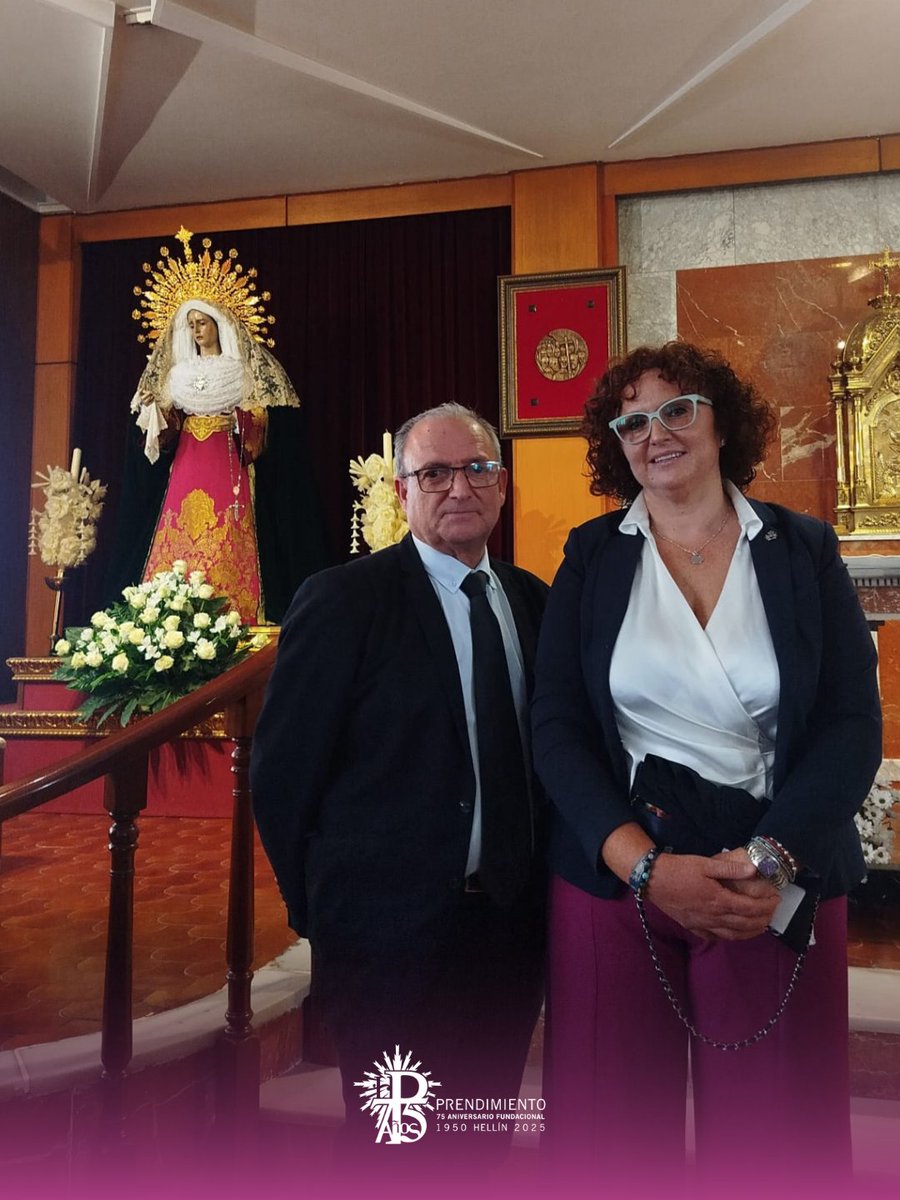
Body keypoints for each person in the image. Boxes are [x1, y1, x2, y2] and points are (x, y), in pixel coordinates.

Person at [531, 342, 881, 1193]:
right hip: (619, 870)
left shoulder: (803, 551)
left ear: (723, 423)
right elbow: (557, 726)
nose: (657, 433)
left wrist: (769, 859)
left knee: (776, 1135)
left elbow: (849, 727)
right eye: (634, 421)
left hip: (770, 866)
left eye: (678, 409)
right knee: (611, 1135)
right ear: (616, 444)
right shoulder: (591, 556)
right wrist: (639, 864)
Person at [251, 403, 548, 1171]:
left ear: (503, 484)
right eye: (435, 473)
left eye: (477, 469)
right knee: (397, 1148)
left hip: (509, 933)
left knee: (479, 1141)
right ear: (403, 489)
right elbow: (283, 777)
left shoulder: (532, 602)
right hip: (386, 941)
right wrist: (328, 913)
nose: (459, 488)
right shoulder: (344, 600)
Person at [132, 298, 301, 623]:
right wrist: (153, 411)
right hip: (188, 459)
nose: (196, 330)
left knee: (226, 527)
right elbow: (167, 429)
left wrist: (238, 421)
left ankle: (232, 606)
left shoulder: (239, 371)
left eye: (203, 322)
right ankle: (170, 614)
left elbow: (261, 419)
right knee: (179, 523)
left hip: (225, 458)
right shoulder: (179, 375)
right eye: (191, 323)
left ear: (218, 325)